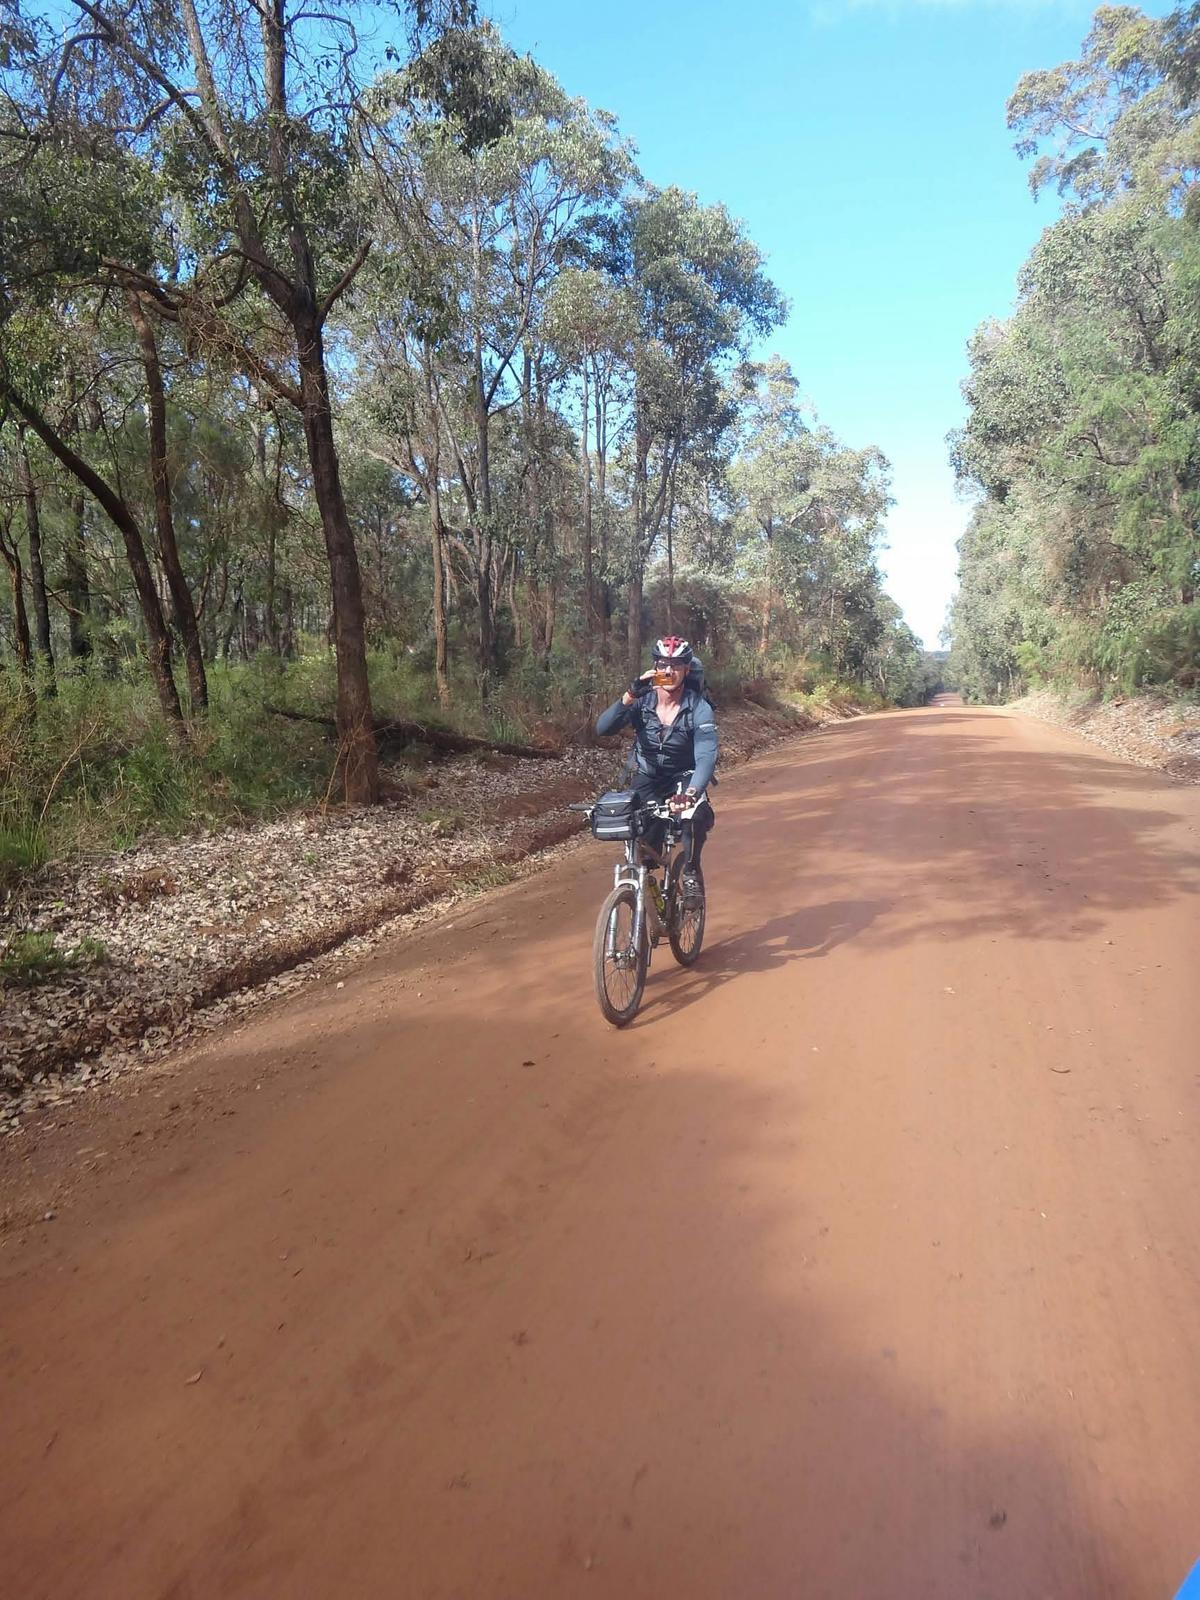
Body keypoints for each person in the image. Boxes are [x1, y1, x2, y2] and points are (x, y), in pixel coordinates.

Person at [595, 635, 717, 905]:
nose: (669, 671)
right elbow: (603, 729)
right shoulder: (642, 701)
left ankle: (691, 871)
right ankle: (645, 885)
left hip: (684, 776)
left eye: (676, 665)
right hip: (648, 777)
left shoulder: (699, 708)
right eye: (663, 664)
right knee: (634, 827)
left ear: (687, 669)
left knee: (692, 815)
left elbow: (707, 756)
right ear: (655, 667)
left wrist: (692, 792)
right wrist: (629, 695)